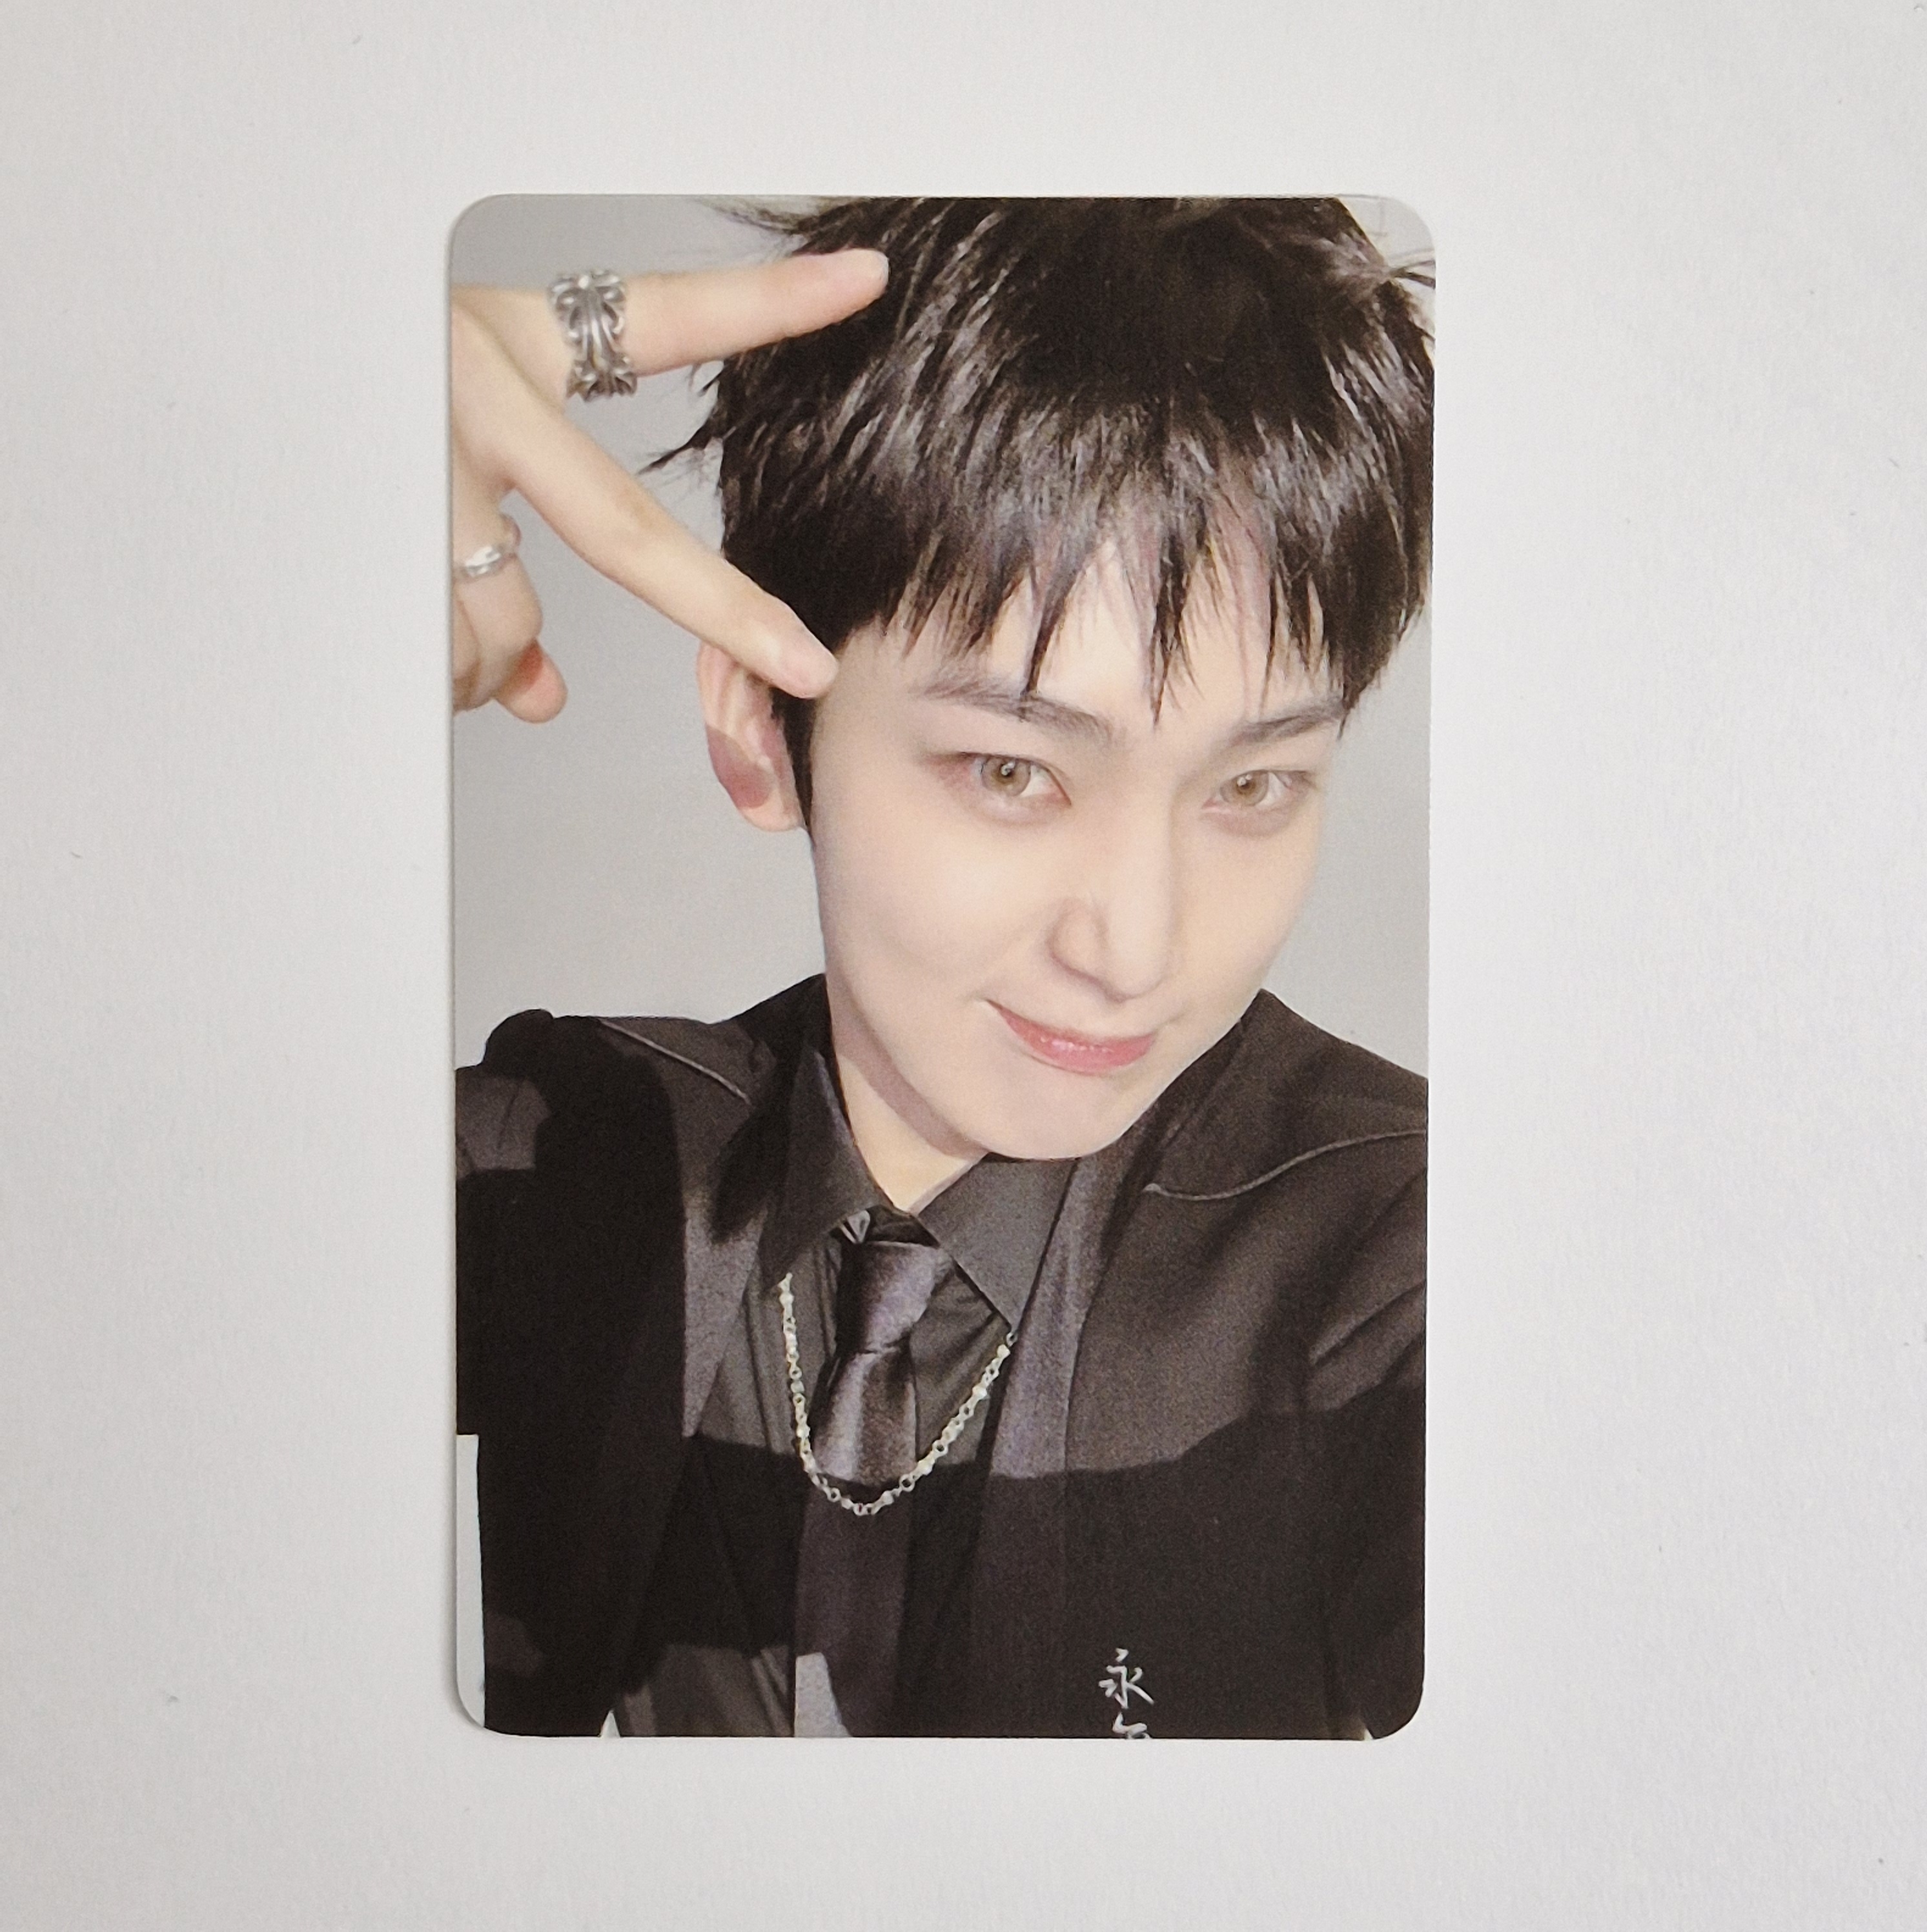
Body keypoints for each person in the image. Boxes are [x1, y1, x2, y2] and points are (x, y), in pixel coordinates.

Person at [453, 198, 1432, 1738]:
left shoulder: (1394, 1252)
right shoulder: (580, 1159)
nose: (1135, 947)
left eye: (1250, 785)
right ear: (758, 727)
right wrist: (285, 504)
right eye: (1011, 771)